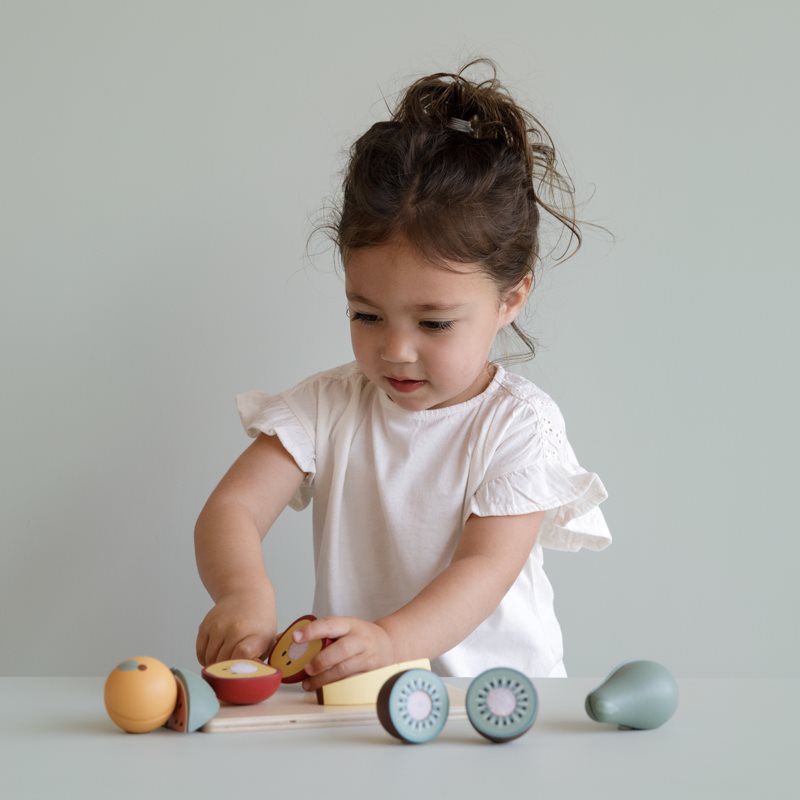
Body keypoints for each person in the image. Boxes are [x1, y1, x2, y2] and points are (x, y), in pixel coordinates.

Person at [194, 59, 611, 689]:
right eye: (366, 314)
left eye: (435, 324)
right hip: (363, 702)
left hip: (494, 705)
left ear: (510, 299)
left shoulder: (518, 426)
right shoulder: (327, 407)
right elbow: (231, 509)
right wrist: (242, 591)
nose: (395, 351)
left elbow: (482, 571)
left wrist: (390, 639)